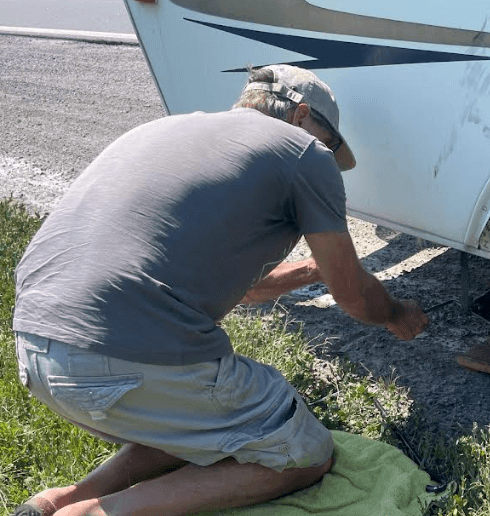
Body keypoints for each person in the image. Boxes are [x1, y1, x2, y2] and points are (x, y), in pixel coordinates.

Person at [11, 64, 428, 516]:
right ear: (302, 115)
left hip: (37, 350)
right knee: (304, 453)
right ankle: (93, 513)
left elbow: (249, 291)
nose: (326, 152)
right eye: (329, 141)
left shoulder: (165, 130)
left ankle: (58, 500)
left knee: (206, 425)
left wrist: (311, 271)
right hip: (121, 358)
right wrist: (396, 313)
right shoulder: (304, 153)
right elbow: (354, 296)